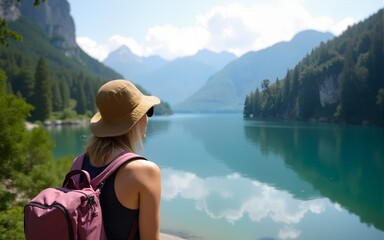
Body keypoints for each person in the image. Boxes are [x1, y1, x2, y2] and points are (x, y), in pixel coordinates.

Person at [81, 79, 161, 240]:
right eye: (147, 112)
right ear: (135, 119)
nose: (147, 118)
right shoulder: (145, 171)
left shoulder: (79, 164)